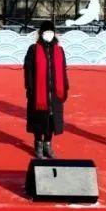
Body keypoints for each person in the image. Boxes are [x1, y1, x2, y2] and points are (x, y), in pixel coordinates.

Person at [22, 21, 69, 159]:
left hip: (55, 92)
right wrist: (30, 88)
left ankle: (47, 144)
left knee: (52, 120)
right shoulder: (33, 49)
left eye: (51, 31)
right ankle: (38, 144)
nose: (49, 34)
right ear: (41, 33)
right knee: (39, 119)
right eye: (46, 32)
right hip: (38, 93)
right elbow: (28, 71)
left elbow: (63, 70)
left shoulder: (59, 50)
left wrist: (65, 87)